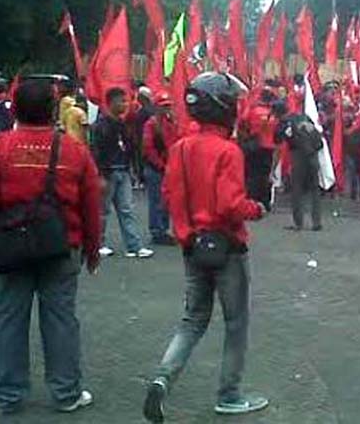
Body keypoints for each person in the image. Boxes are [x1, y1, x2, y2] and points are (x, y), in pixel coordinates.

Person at [0, 78, 102, 414]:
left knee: (8, 320)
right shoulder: (74, 150)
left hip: (10, 247)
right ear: (53, 109)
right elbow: (91, 205)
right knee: (60, 321)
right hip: (61, 246)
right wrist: (93, 248)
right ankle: (66, 393)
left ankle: (9, 395)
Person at [143, 72, 268, 422]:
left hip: (191, 245)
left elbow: (169, 195)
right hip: (227, 247)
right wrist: (255, 209)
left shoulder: (181, 146)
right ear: (223, 106)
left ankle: (162, 379)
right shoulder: (228, 150)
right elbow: (231, 204)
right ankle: (229, 395)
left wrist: (186, 228)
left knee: (192, 320)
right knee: (235, 323)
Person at [91, 87, 153, 258]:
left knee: (127, 209)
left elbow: (129, 147)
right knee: (102, 211)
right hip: (108, 172)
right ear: (111, 103)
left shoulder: (123, 124)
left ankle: (134, 246)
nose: (126, 105)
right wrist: (100, 174)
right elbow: (97, 151)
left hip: (123, 170)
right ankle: (98, 244)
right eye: (122, 101)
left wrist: (132, 167)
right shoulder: (102, 126)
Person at [142, 91, 180, 246]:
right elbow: (148, 148)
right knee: (156, 200)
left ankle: (163, 229)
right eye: (164, 106)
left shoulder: (170, 123)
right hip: (156, 168)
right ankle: (157, 231)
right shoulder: (152, 124)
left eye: (168, 106)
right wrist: (161, 165)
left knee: (165, 200)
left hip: (168, 167)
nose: (167, 109)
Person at [279, 108, 324, 231]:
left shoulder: (289, 124)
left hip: (298, 157)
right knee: (315, 190)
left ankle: (298, 222)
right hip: (313, 158)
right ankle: (317, 221)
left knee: (297, 190)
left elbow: (285, 138)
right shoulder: (312, 127)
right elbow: (320, 144)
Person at [240, 88, 277, 210]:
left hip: (254, 146)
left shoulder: (253, 110)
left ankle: (252, 200)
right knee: (265, 175)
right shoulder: (273, 113)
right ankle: (265, 201)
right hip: (269, 147)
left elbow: (243, 122)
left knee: (251, 174)